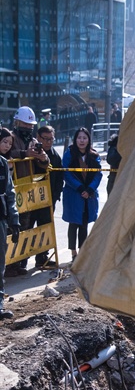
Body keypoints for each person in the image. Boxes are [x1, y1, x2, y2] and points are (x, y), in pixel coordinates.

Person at [9, 106, 50, 275]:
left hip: (28, 190)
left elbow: (45, 162)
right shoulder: (9, 137)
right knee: (12, 227)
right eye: (25, 124)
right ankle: (9, 265)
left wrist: (42, 158)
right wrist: (24, 153)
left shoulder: (33, 141)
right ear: (17, 122)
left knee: (25, 226)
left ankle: (20, 263)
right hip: (12, 188)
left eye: (30, 125)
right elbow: (6, 152)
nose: (28, 128)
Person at [62, 127, 102, 262]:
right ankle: (73, 253)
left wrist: (90, 190)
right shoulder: (69, 154)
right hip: (74, 194)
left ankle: (82, 253)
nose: (82, 140)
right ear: (75, 139)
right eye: (79, 138)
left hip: (88, 196)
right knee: (73, 224)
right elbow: (66, 173)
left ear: (88, 140)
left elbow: (98, 174)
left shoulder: (94, 156)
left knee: (84, 224)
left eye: (84, 138)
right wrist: (79, 188)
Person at [31, 125, 64, 268]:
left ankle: (42, 257)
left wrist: (55, 196)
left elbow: (59, 177)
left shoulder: (55, 156)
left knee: (45, 228)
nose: (48, 142)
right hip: (31, 198)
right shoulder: (32, 154)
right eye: (45, 139)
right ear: (38, 138)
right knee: (28, 228)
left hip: (48, 199)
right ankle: (21, 262)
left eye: (51, 139)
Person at [0, 129, 20, 319]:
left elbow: (10, 193)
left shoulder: (4, 164)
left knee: (0, 264)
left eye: (9, 143)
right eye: (4, 142)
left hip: (1, 218)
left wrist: (15, 221)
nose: (7, 146)